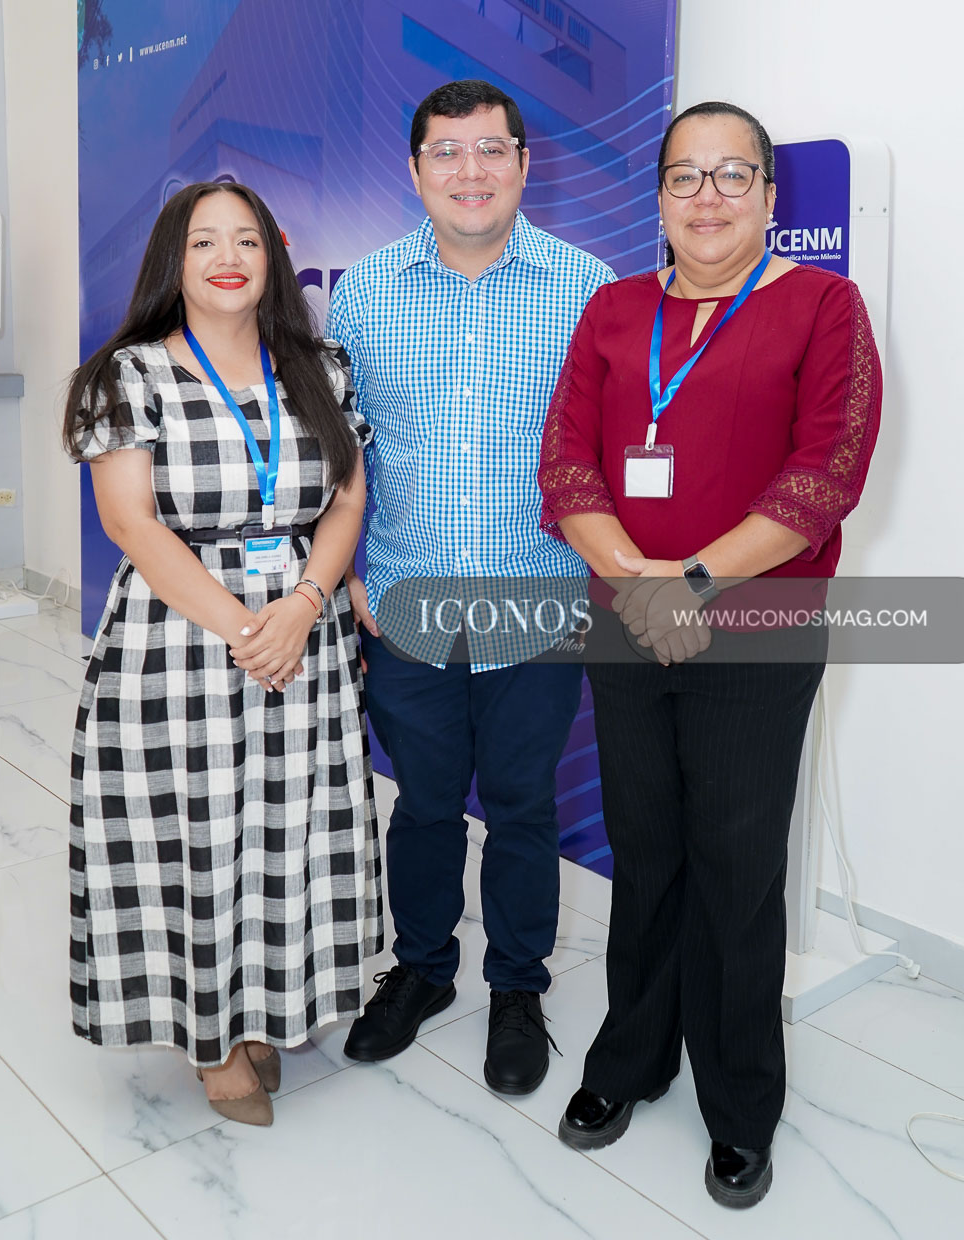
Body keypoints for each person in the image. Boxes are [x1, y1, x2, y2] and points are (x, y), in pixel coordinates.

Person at [538, 101, 882, 1206]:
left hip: (755, 632)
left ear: (770, 197)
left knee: (735, 868)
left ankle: (739, 1102)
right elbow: (567, 465)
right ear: (658, 197)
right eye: (685, 175)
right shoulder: (612, 309)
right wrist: (639, 585)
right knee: (643, 849)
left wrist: (688, 583)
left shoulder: (822, 305)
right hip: (626, 625)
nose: (708, 195)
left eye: (733, 174)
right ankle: (630, 1058)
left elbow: (824, 473)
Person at [64, 181, 382, 1127]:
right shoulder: (128, 375)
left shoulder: (319, 367)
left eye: (246, 239)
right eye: (204, 241)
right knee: (193, 838)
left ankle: (268, 1008)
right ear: (175, 259)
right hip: (183, 635)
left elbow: (348, 499)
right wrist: (251, 629)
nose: (228, 258)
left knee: (286, 830)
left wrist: (305, 605)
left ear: (273, 257)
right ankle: (210, 1038)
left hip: (301, 624)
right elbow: (131, 523)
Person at [327, 79, 614, 1094]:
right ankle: (421, 968)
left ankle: (517, 987)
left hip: (538, 599)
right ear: (414, 171)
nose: (470, 171)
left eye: (490, 149)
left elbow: (607, 448)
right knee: (423, 805)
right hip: (406, 598)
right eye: (446, 152)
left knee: (524, 808)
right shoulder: (364, 291)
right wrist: (349, 574)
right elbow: (341, 447)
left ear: (523, 163)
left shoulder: (586, 287)